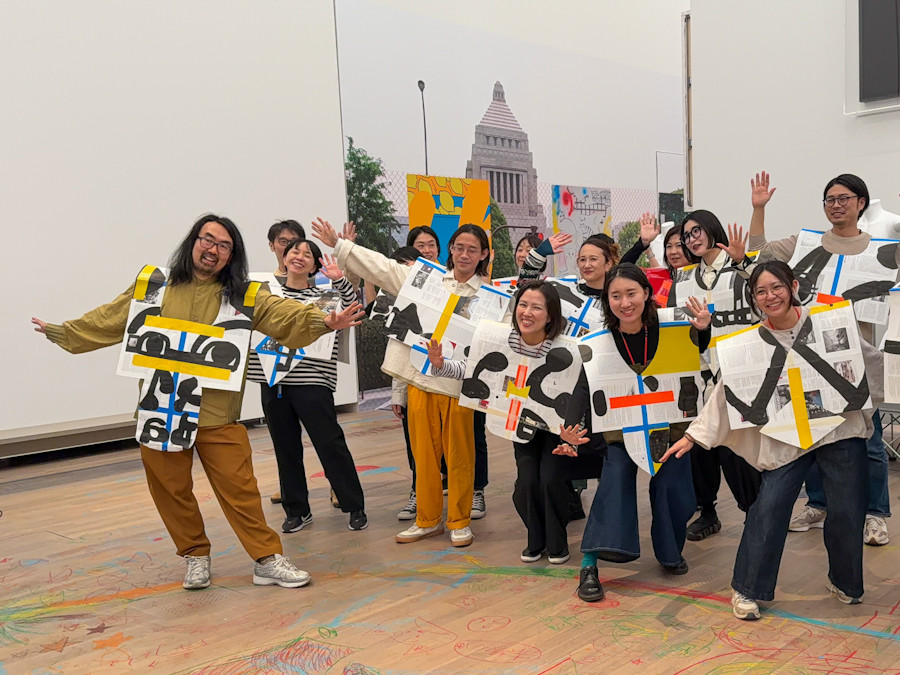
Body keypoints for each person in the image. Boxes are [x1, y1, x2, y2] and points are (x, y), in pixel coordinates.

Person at [31, 214, 363, 590]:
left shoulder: (243, 293)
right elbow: (113, 317)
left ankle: (266, 558)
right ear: (193, 241)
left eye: (224, 246)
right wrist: (64, 332)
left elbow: (280, 314)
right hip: (162, 405)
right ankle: (194, 555)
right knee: (170, 489)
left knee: (240, 489)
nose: (213, 250)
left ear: (231, 255)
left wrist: (323, 322)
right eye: (208, 240)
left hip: (218, 409)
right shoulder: (155, 285)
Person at [661, 261, 883, 620]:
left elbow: (869, 361)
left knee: (847, 509)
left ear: (793, 285)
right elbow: (725, 392)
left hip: (839, 428)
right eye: (760, 291)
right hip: (787, 436)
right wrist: (695, 435)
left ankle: (845, 581)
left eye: (776, 287)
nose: (770, 296)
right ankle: (747, 588)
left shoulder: (829, 321)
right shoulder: (750, 342)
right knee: (769, 507)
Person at [314, 218, 489, 547]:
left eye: (473, 249)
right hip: (418, 379)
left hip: (457, 386)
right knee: (422, 456)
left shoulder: (489, 297)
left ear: (483, 255)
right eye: (460, 247)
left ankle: (459, 521)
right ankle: (427, 519)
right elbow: (382, 268)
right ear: (450, 250)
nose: (465, 254)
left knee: (460, 456)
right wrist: (340, 245)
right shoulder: (426, 277)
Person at [750, 172, 894, 546]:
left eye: (844, 198)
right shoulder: (805, 243)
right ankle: (818, 504)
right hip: (807, 358)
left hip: (854, 358)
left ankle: (876, 513)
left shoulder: (885, 249)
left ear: (861, 203)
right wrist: (759, 209)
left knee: (870, 438)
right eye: (829, 199)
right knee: (810, 431)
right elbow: (758, 252)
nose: (836, 204)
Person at [558, 263, 711, 602]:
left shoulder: (671, 327)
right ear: (606, 300)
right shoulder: (598, 342)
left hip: (671, 427)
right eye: (615, 296)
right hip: (620, 430)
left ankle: (671, 551)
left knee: (676, 489)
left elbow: (695, 348)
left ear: (646, 293)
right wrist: (568, 430)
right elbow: (584, 388)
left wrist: (703, 329)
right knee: (614, 485)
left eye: (631, 293)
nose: (624, 302)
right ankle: (589, 562)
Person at [427, 280, 602, 564]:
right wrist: (440, 365)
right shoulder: (499, 339)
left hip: (556, 430)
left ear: (551, 314)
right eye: (522, 304)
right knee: (526, 482)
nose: (527, 312)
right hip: (521, 425)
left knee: (550, 480)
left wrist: (575, 427)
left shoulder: (567, 349)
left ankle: (557, 543)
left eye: (536, 307)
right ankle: (536, 539)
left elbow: (581, 390)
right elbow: (475, 372)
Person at [247, 238, 367, 534]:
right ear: (283, 258)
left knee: (329, 443)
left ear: (315, 266)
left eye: (308, 254)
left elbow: (355, 307)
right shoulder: (265, 295)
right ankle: (296, 510)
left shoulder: (325, 296)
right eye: (293, 252)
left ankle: (354, 505)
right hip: (273, 381)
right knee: (284, 447)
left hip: (312, 379)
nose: (299, 257)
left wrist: (339, 279)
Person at [671, 208, 762, 541]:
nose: (691, 239)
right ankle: (707, 511)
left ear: (712, 229)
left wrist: (743, 262)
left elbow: (768, 292)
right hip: (699, 373)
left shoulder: (739, 265)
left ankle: (756, 512)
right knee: (701, 444)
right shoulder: (682, 279)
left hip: (738, 369)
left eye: (697, 231)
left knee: (737, 448)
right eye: (686, 235)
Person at [267, 219, 306, 285]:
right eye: (283, 242)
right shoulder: (268, 283)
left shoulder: (318, 281)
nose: (289, 246)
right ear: (272, 246)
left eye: (294, 241)